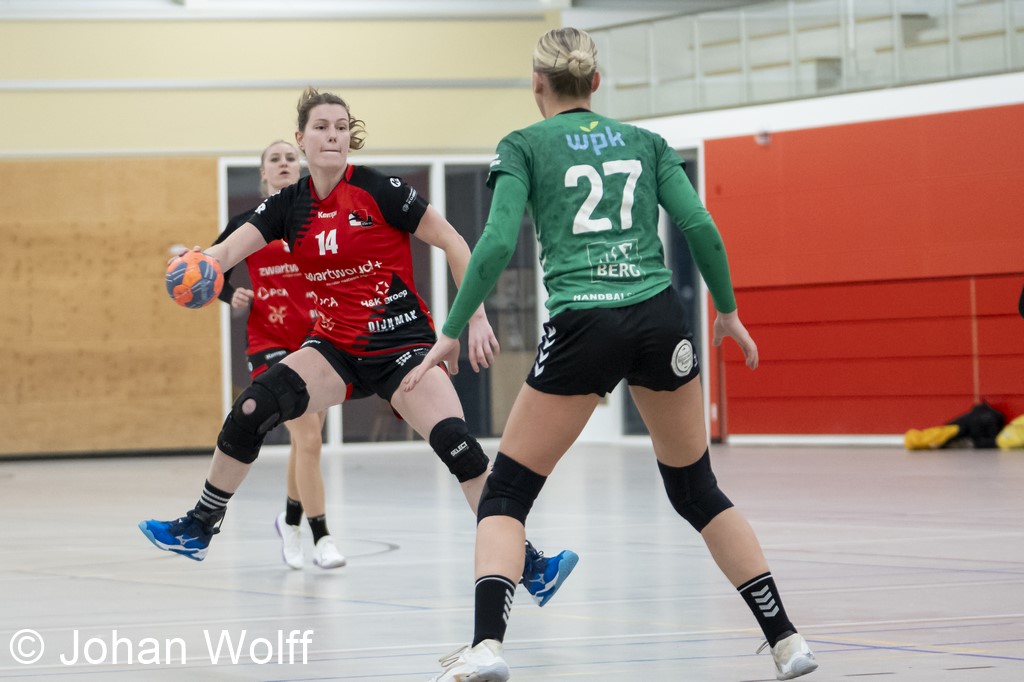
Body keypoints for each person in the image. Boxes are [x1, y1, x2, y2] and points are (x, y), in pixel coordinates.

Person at [403, 28, 818, 682]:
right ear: (596, 83)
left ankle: (486, 647)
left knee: (505, 494)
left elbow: (495, 243)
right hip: (659, 319)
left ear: (536, 84)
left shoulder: (523, 145)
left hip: (585, 323)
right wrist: (728, 311)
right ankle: (787, 640)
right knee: (697, 490)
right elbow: (699, 226)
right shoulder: (647, 143)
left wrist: (452, 328)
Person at [139, 87, 577, 607]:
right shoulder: (287, 205)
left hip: (403, 348)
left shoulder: (379, 189)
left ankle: (531, 564)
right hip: (335, 349)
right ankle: (200, 525)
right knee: (252, 408)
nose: (333, 136)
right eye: (322, 127)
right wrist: (202, 263)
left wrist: (473, 317)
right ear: (302, 139)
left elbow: (454, 241)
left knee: (460, 449)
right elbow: (229, 249)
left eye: (342, 127)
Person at [213, 140, 343, 570]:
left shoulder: (316, 215)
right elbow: (213, 268)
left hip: (318, 338)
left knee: (307, 442)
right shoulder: (248, 222)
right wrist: (230, 294)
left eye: (290, 158)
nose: (284, 163)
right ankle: (321, 536)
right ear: (263, 173)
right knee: (309, 439)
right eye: (275, 159)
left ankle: (288, 522)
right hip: (268, 341)